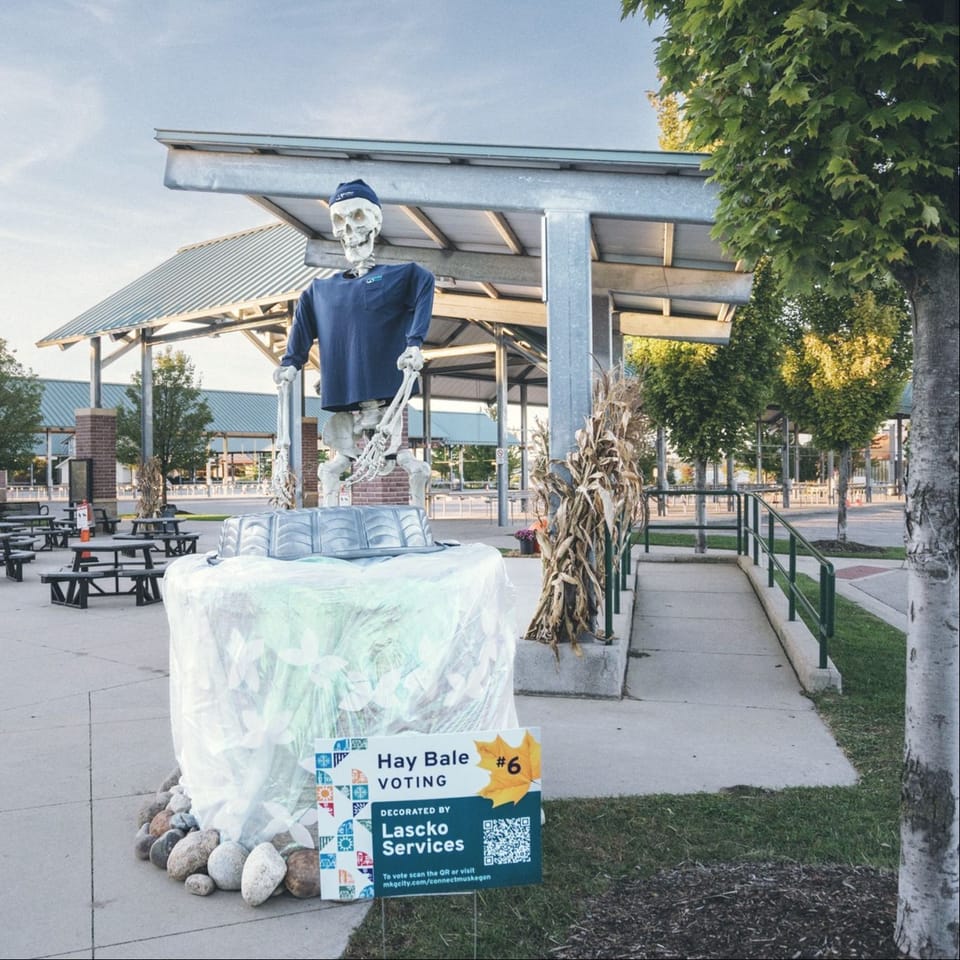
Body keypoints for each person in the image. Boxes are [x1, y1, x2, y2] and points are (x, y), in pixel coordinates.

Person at [273, 180, 434, 505]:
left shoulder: (398, 276)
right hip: (346, 398)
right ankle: (331, 522)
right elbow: (301, 327)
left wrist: (414, 343)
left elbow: (424, 283)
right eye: (339, 221)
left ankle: (417, 518)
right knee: (331, 469)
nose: (348, 231)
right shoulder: (319, 291)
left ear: (376, 222)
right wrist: (290, 364)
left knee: (411, 466)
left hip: (387, 397)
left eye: (358, 217)